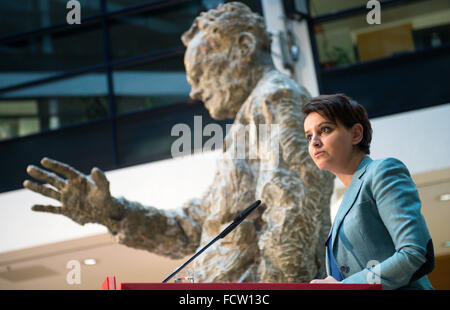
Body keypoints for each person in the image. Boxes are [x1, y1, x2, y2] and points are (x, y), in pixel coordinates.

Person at [23, 2, 335, 282]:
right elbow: (189, 227)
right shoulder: (248, 122)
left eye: (199, 74)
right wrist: (111, 211)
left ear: (244, 46)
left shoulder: (276, 97)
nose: (194, 92)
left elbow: (292, 218)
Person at [303, 93, 434, 289]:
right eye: (308, 136)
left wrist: (345, 286)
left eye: (325, 130)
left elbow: (414, 253)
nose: (314, 142)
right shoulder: (342, 204)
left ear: (356, 134)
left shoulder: (382, 171)